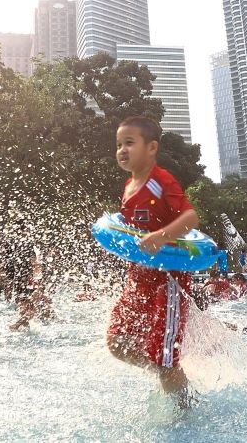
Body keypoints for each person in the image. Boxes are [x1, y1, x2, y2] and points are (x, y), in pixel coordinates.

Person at [106, 116, 200, 405]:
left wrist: (161, 236)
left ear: (151, 148)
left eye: (129, 143)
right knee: (116, 342)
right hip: (139, 278)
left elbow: (191, 218)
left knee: (166, 361)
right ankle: (165, 374)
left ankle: (186, 411)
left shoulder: (160, 180)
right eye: (119, 144)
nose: (122, 149)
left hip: (167, 280)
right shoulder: (128, 186)